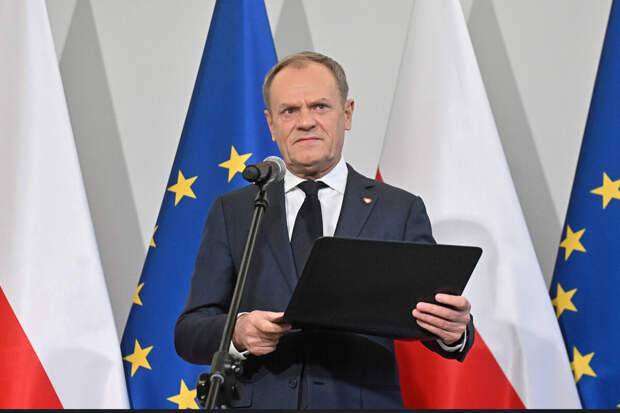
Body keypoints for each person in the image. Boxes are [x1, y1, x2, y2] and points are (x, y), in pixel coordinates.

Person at [175, 51, 474, 409]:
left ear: (347, 114)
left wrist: (454, 330)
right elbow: (189, 331)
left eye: (320, 107)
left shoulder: (399, 210)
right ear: (271, 124)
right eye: (289, 111)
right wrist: (238, 332)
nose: (306, 122)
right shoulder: (235, 210)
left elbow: (435, 316)